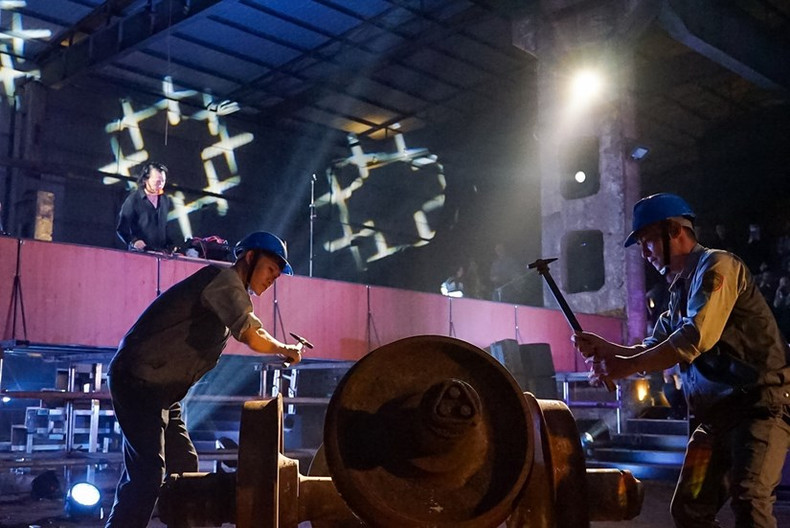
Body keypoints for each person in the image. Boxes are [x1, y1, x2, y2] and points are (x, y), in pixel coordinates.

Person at [572, 193, 790, 528]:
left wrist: (624, 366)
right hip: (716, 420)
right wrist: (608, 350)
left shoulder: (718, 266)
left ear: (674, 231)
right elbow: (653, 347)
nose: (644, 254)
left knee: (749, 498)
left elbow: (693, 338)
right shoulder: (678, 293)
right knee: (690, 509)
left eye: (647, 242)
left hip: (759, 408)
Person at [105, 231, 304, 528]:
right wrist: (286, 349)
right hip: (139, 382)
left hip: (161, 392)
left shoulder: (229, 290)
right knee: (147, 475)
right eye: (270, 269)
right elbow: (253, 334)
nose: (271, 279)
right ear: (250, 257)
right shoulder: (223, 281)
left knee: (184, 467)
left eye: (276, 275)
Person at [116, 162, 174, 252]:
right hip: (139, 253)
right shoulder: (133, 199)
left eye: (163, 181)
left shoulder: (165, 200)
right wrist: (134, 241)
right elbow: (122, 228)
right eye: (157, 181)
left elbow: (165, 227)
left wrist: (171, 246)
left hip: (161, 254)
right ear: (145, 180)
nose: (161, 184)